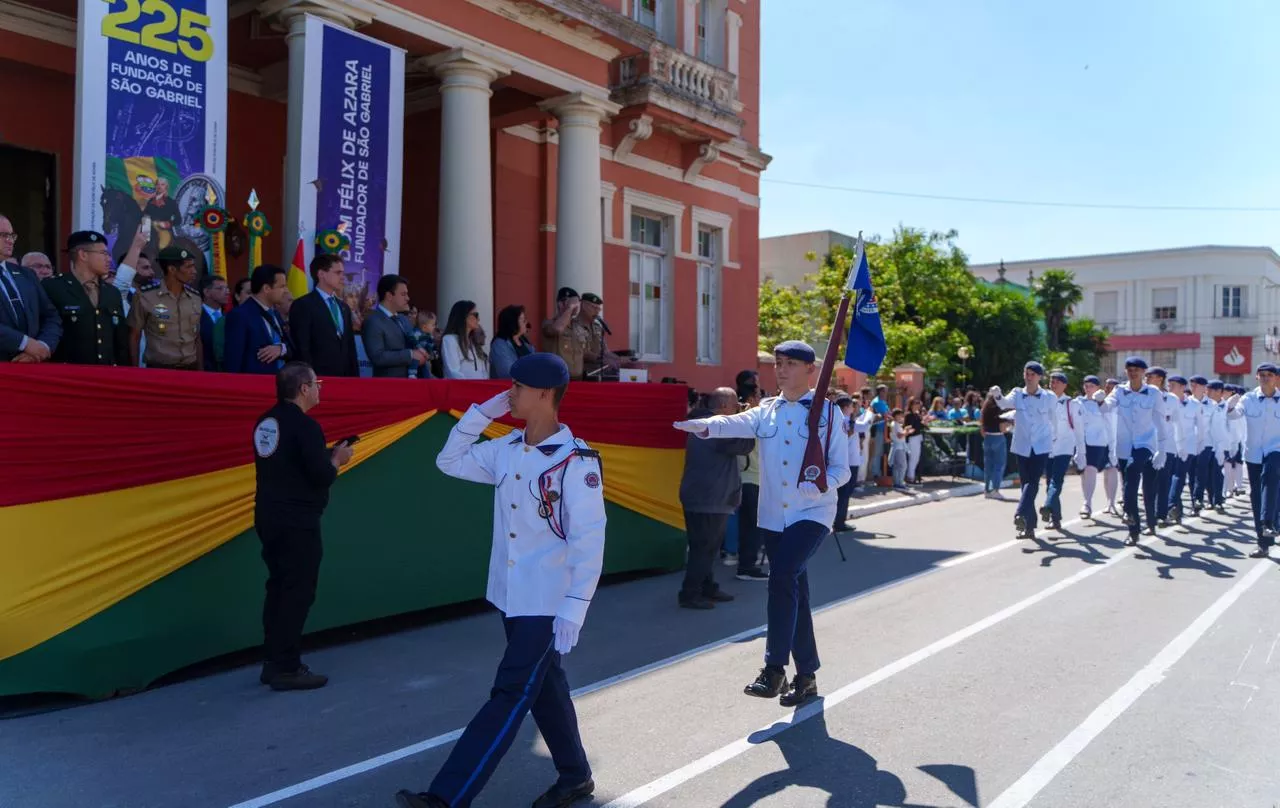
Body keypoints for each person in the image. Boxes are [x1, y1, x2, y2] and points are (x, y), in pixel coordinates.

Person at [395, 353, 605, 808]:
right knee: (545, 687)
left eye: (517, 387)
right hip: (512, 595)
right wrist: (481, 414)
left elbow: (590, 538)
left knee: (510, 693)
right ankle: (575, 776)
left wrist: (575, 605)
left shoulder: (576, 461)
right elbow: (448, 460)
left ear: (544, 394)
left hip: (547, 602)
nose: (508, 394)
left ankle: (447, 797)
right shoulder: (507, 448)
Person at [673, 340, 850, 707]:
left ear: (810, 370)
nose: (781, 369)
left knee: (782, 576)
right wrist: (704, 425)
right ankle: (807, 677)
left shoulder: (829, 414)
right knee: (796, 591)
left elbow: (842, 468)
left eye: (790, 363)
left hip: (812, 512)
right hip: (774, 516)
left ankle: (774, 668)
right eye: (778, 363)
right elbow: (734, 423)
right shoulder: (766, 411)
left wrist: (823, 483)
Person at [252, 362, 354, 690]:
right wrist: (337, 459)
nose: (320, 388)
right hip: (297, 521)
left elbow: (289, 463)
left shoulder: (266, 421)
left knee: (278, 588)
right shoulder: (306, 426)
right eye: (316, 383)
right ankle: (287, 667)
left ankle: (273, 662)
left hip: (268, 515)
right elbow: (321, 475)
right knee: (297, 592)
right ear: (304, 389)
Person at [677, 387, 754, 609]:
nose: (737, 410)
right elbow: (744, 445)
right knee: (704, 548)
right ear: (723, 406)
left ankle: (707, 586)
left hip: (701, 495)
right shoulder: (717, 426)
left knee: (705, 547)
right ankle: (690, 593)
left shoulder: (701, 423)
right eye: (735, 406)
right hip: (710, 497)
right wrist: (748, 421)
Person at [1096, 356, 1168, 544]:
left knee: (1138, 474)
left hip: (1146, 444)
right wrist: (1100, 401)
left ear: (1143, 372)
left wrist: (1162, 449)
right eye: (1129, 369)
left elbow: (1161, 422)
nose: (1133, 373)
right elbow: (1107, 408)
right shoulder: (1119, 391)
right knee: (1129, 484)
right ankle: (1133, 530)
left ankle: (1146, 519)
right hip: (1124, 445)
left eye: (1137, 369)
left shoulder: (1153, 393)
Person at [42, 231, 128, 365]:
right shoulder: (53, 288)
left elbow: (121, 342)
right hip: (69, 372)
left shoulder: (112, 292)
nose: (109, 259)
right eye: (103, 253)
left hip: (107, 372)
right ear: (83, 255)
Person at [994, 362, 1057, 539]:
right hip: (1022, 445)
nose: (1028, 377)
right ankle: (1029, 527)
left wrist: (1054, 439)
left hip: (1041, 445)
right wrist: (997, 394)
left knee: (1033, 482)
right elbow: (1003, 404)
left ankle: (1020, 513)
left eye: (1032, 374)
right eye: (1026, 374)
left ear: (1039, 377)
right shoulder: (1017, 393)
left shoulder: (1049, 396)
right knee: (1025, 484)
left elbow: (1054, 419)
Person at [1227, 364, 1280, 558]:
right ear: (1257, 377)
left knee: (1270, 475)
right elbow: (1235, 415)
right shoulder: (1248, 399)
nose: (1266, 378)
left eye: (1270, 375)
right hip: (1254, 454)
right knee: (1257, 497)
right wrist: (1229, 406)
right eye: (1262, 375)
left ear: (1276, 378)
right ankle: (1263, 543)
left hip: (1276, 450)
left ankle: (1269, 522)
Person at [128, 245, 203, 370]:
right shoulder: (145, 296)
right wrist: (134, 371)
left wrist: (201, 372)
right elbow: (134, 336)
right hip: (160, 369)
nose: (194, 271)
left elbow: (197, 338)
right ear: (172, 269)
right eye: (188, 267)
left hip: (190, 368)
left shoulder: (195, 298)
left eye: (193, 266)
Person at [288, 253, 359, 377]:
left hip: (344, 378)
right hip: (317, 377)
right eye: (338, 273)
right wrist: (310, 379)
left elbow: (350, 346)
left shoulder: (344, 307)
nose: (343, 277)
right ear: (321, 274)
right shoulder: (303, 305)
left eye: (343, 273)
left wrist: (354, 378)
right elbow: (302, 347)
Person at [224, 265, 293, 374]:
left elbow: (291, 346)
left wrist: (281, 349)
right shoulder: (240, 315)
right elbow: (233, 360)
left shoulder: (275, 313)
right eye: (282, 286)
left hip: (280, 380)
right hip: (254, 382)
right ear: (266, 289)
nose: (286, 291)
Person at [735, 384, 769, 581]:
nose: (761, 400)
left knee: (746, 525)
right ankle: (747, 566)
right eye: (759, 396)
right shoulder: (755, 419)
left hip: (745, 477)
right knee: (754, 526)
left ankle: (745, 564)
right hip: (754, 477)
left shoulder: (739, 418)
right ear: (751, 398)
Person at [363, 274, 428, 379]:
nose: (408, 298)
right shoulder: (373, 321)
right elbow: (377, 357)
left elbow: (413, 344)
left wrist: (422, 350)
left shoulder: (404, 319)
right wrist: (410, 354)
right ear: (389, 296)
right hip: (389, 385)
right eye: (403, 294)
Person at [1041, 370, 1078, 532]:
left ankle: (1048, 506)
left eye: (1057, 381)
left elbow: (1079, 429)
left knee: (1056, 481)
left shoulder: (1071, 404)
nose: (1053, 384)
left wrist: (1080, 452)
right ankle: (1055, 519)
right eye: (1051, 381)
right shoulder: (1043, 401)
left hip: (1064, 448)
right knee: (1049, 482)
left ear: (1064, 385)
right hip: (1048, 448)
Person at [1145, 367, 1182, 526]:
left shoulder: (1172, 399)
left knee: (1163, 482)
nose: (1146, 379)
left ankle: (1161, 514)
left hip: (1167, 446)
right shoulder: (1143, 396)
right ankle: (1150, 519)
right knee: (1148, 484)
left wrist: (1181, 446)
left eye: (1150, 376)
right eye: (1146, 376)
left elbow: (1177, 423)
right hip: (1147, 445)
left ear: (1160, 379)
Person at [1072, 376, 1111, 518]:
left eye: (1091, 386)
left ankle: (1087, 503)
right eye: (1086, 385)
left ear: (1097, 388)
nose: (1088, 388)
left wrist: (1101, 402)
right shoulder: (1077, 402)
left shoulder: (1103, 403)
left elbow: (1109, 417)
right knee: (1083, 473)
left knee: (1091, 470)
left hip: (1097, 442)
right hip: (1080, 441)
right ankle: (1087, 500)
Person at [1165, 374, 1199, 525]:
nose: (1170, 388)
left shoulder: (1194, 404)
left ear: (1182, 387)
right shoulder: (1165, 402)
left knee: (1179, 475)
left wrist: (1200, 444)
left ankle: (1171, 504)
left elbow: (1201, 426)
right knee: (1170, 478)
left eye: (1173, 385)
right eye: (1169, 385)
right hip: (1170, 446)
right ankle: (1177, 511)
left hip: (1188, 446)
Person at [542, 287, 587, 380]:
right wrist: (570, 308)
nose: (576, 306)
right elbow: (558, 329)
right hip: (557, 379)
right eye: (573, 302)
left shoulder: (578, 327)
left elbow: (584, 351)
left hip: (578, 379)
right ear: (560, 304)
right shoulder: (549, 323)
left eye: (577, 302)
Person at [440, 299, 490, 379]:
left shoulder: (474, 341)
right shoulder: (450, 340)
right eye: (476, 315)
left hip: (480, 386)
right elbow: (453, 372)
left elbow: (483, 372)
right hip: (461, 386)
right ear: (463, 316)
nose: (478, 319)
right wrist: (470, 386)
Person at [490, 304, 536, 379]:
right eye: (523, 320)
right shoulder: (499, 344)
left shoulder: (525, 342)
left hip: (527, 385)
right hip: (508, 386)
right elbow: (507, 373)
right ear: (512, 322)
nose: (526, 322)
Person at [980, 386, 1008, 498]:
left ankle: (987, 490)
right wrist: (1009, 427)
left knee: (988, 465)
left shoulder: (985, 409)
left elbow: (982, 427)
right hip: (998, 437)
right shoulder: (1000, 408)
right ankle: (995, 489)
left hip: (988, 437)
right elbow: (1002, 428)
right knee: (999, 465)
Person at [199, 274, 229, 371]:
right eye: (220, 288)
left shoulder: (229, 317)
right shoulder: (196, 316)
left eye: (227, 288)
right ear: (206, 292)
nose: (227, 292)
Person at [904, 398, 926, 485]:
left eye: (918, 403)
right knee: (913, 458)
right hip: (912, 438)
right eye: (916, 403)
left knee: (916, 458)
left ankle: (911, 477)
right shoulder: (909, 415)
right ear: (911, 404)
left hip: (917, 437)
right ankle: (910, 478)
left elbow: (920, 426)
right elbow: (910, 426)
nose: (918, 405)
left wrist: (924, 421)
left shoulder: (916, 414)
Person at [889, 408, 909, 490]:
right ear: (896, 415)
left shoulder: (895, 424)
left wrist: (906, 431)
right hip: (899, 447)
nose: (901, 417)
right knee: (902, 465)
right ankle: (899, 482)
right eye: (900, 415)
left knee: (897, 466)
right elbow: (900, 435)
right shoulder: (895, 424)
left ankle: (897, 482)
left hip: (898, 447)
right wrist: (906, 431)